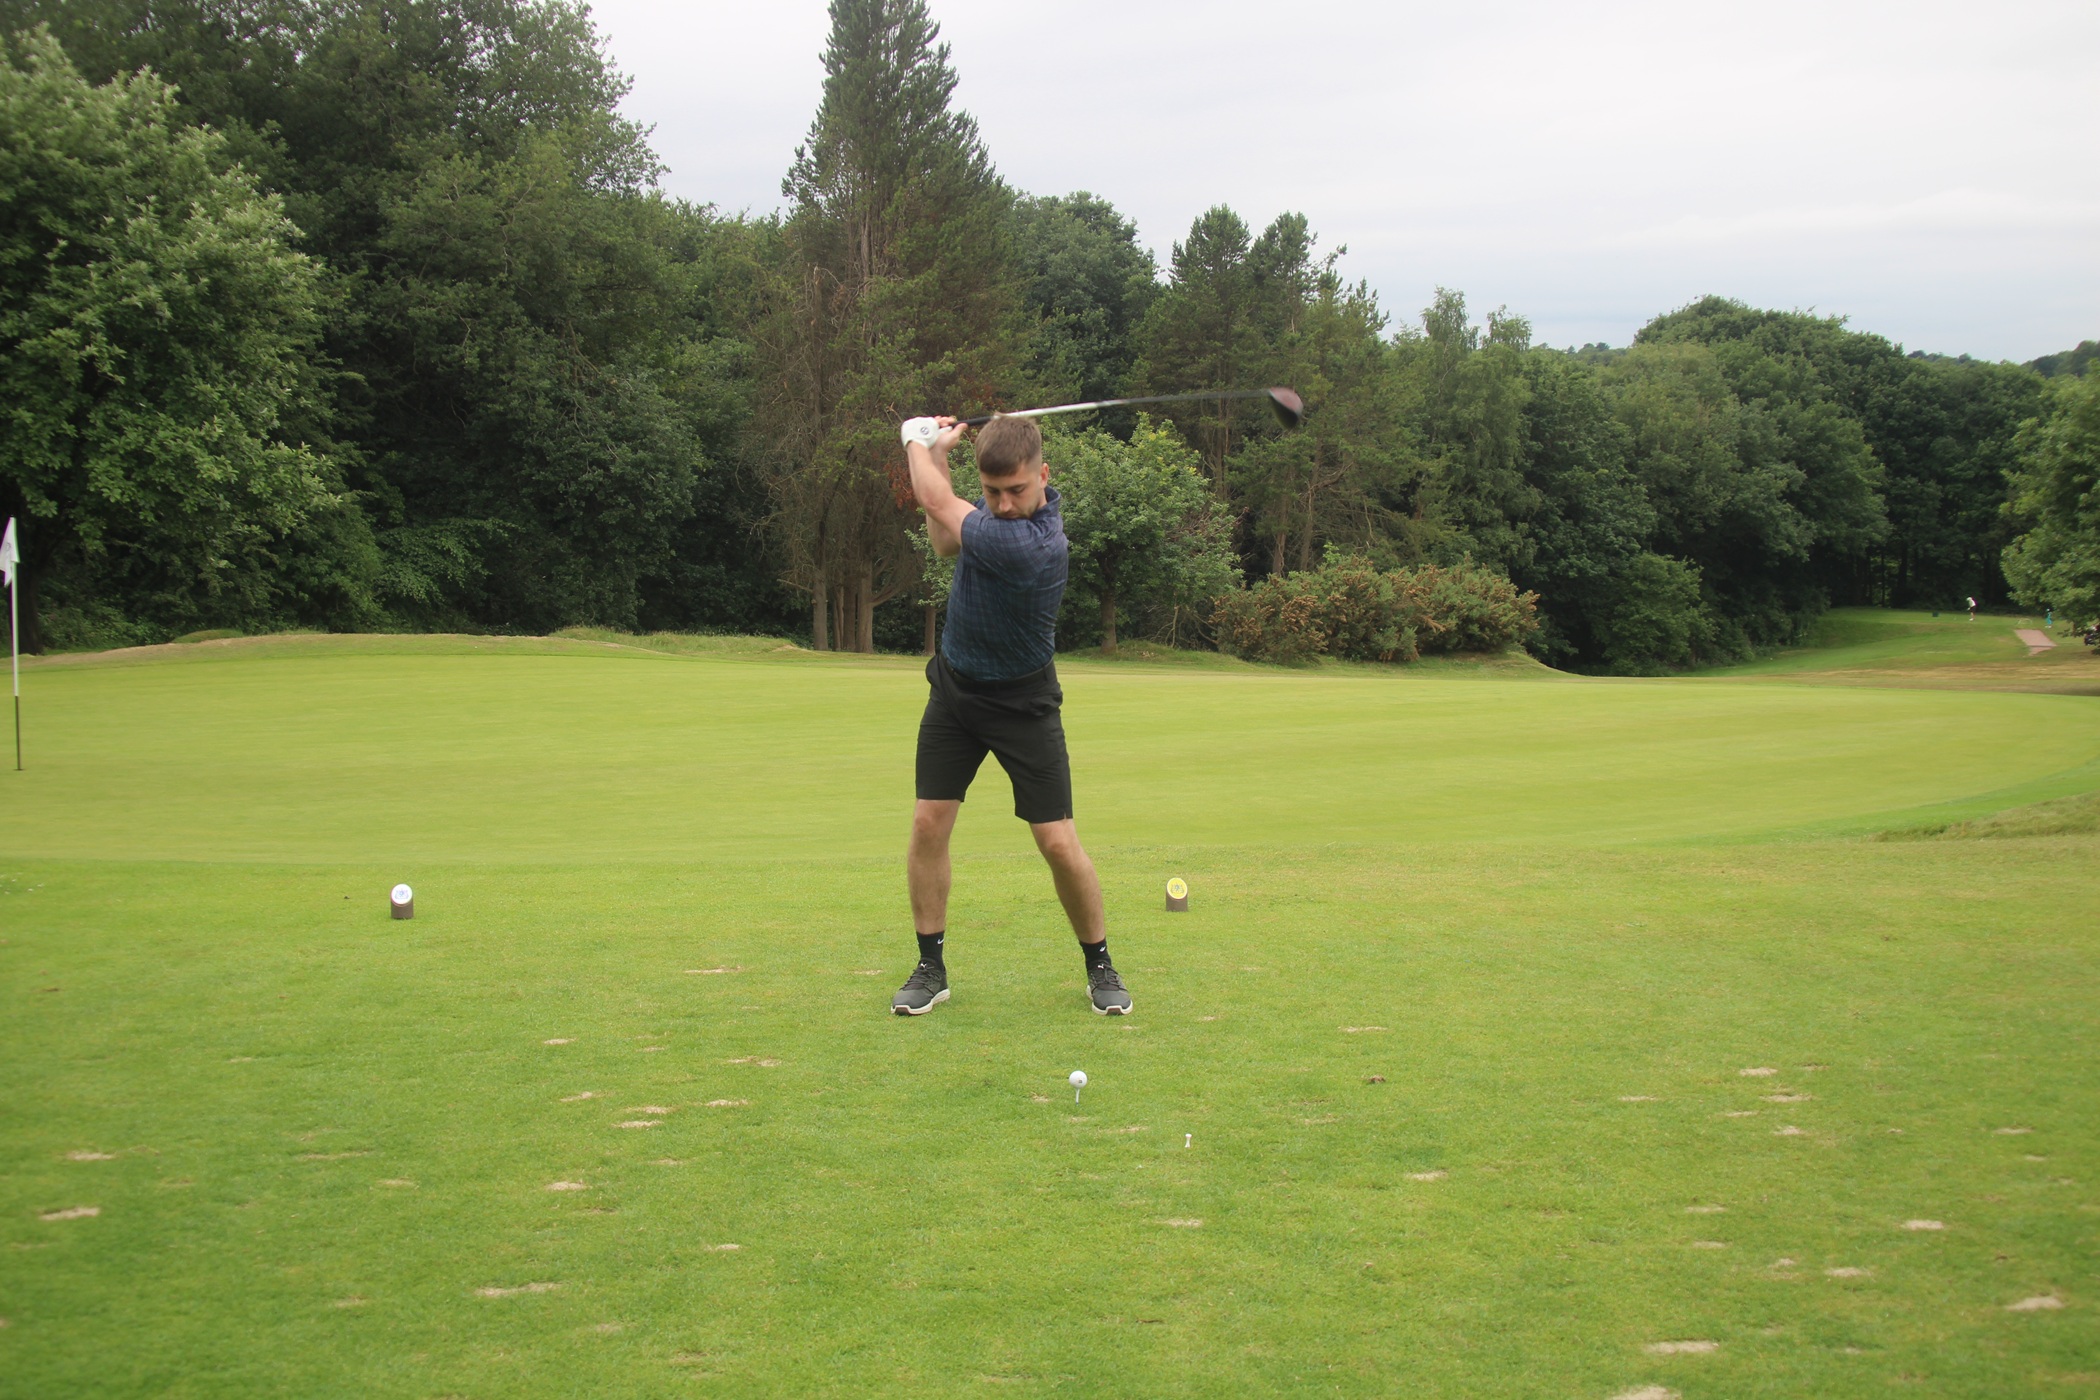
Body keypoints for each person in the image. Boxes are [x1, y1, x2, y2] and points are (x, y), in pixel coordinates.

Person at [889, 412, 1131, 1018]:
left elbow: (933, 500)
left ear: (1043, 476)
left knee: (1057, 842)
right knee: (927, 825)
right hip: (956, 692)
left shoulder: (1035, 545)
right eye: (991, 491)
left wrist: (914, 439)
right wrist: (939, 454)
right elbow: (944, 537)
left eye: (1016, 490)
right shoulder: (994, 519)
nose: (1002, 504)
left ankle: (1100, 964)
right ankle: (930, 967)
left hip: (1023, 703)